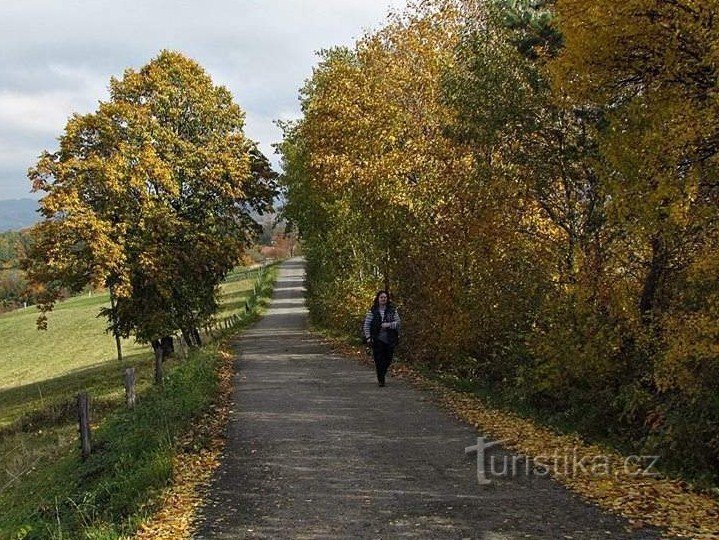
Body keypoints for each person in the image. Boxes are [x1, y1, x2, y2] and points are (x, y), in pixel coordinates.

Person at [362, 290, 400, 387]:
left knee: (388, 359)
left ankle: (382, 373)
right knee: (378, 360)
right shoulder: (373, 311)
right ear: (378, 299)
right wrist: (368, 337)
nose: (383, 299)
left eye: (385, 297)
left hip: (390, 339)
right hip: (377, 339)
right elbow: (367, 325)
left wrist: (389, 325)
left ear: (387, 299)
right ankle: (381, 379)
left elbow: (398, 323)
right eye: (381, 297)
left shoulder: (392, 310)